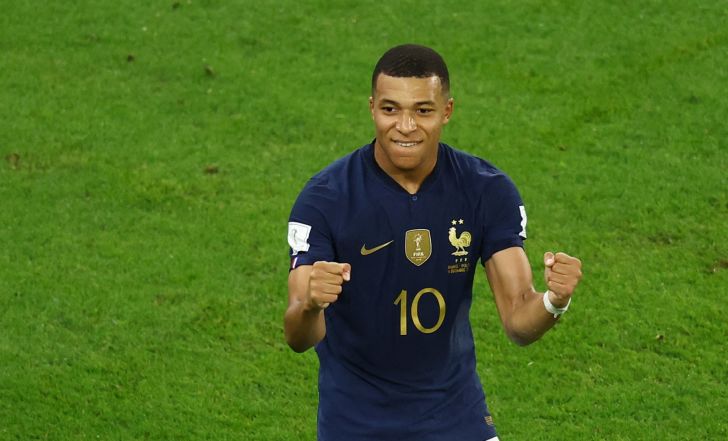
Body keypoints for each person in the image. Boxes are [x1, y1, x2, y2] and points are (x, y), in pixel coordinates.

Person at [284, 44, 583, 441]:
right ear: (372, 108)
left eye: (423, 110)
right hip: (356, 426)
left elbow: (518, 321)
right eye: (390, 109)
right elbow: (298, 337)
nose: (405, 126)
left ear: (447, 111)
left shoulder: (485, 190)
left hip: (457, 420)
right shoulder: (325, 199)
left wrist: (554, 301)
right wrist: (310, 304)